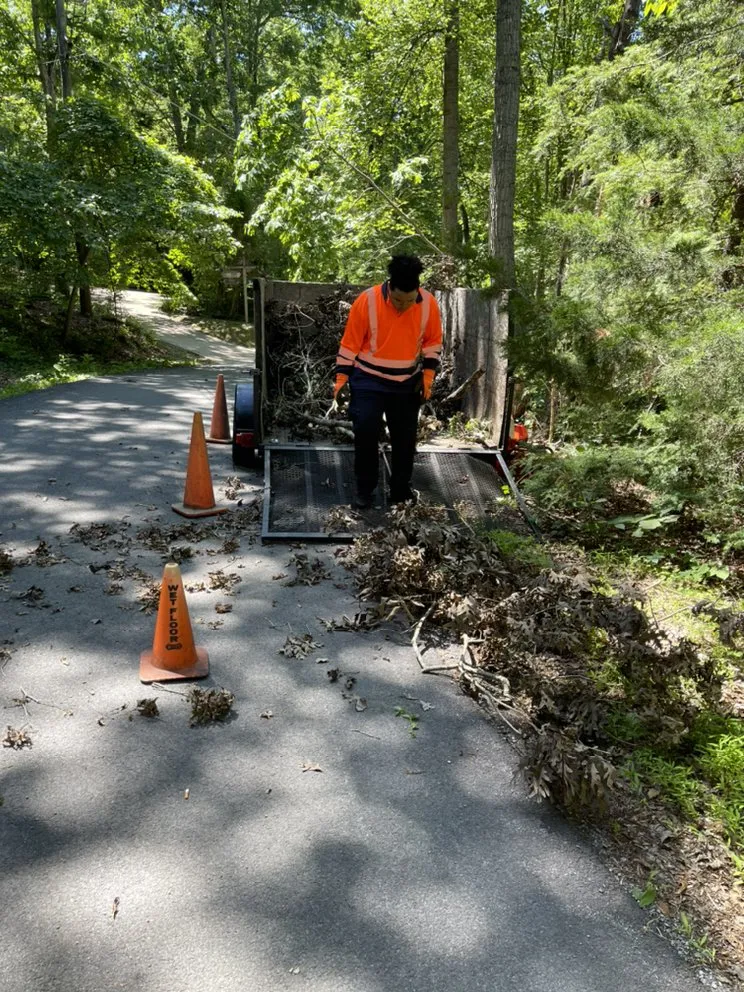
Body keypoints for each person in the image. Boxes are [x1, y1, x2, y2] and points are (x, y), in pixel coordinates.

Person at [332, 254, 443, 509]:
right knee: (366, 430)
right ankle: (364, 490)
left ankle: (400, 491)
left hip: (405, 383)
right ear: (389, 286)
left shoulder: (428, 304)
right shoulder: (367, 301)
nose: (403, 306)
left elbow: (433, 342)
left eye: (409, 300)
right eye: (397, 300)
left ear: (417, 291)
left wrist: (427, 376)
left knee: (405, 439)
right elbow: (350, 344)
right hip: (368, 380)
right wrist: (341, 379)